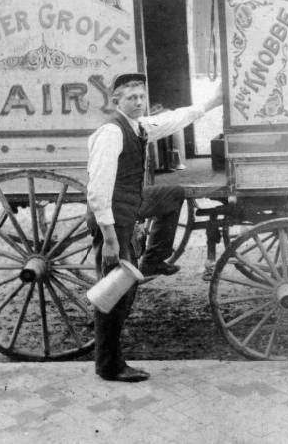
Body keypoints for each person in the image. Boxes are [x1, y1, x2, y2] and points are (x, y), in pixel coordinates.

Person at [86, 72, 222, 382]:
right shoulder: (111, 132)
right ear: (116, 101)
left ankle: (154, 257)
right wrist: (110, 239)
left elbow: (174, 119)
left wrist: (212, 103)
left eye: (141, 98)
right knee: (116, 290)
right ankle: (109, 365)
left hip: (130, 204)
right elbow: (97, 191)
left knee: (172, 194)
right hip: (112, 218)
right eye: (130, 98)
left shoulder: (140, 126)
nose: (137, 103)